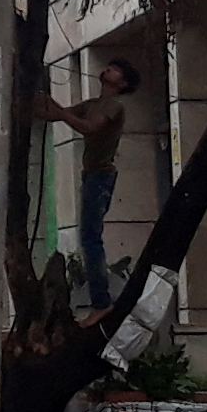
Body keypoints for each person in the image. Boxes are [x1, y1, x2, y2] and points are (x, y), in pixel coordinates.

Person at [37, 57, 142, 310]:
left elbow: (88, 127)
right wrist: (40, 98)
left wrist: (60, 112)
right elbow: (53, 114)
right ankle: (100, 299)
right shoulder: (93, 104)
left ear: (122, 83)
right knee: (89, 237)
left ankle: (101, 301)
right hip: (92, 176)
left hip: (101, 177)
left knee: (91, 238)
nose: (108, 69)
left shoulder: (114, 107)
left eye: (115, 69)